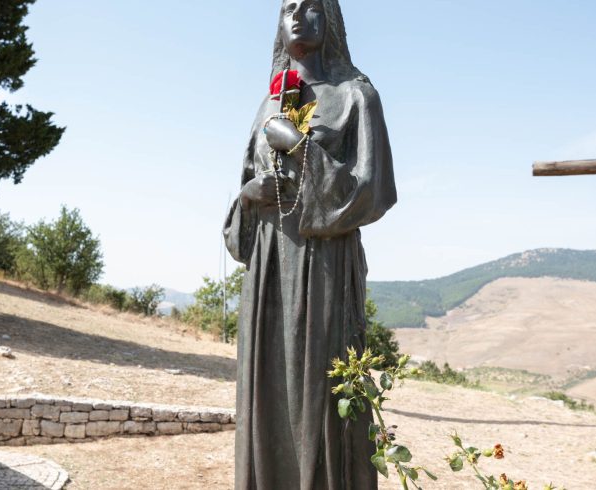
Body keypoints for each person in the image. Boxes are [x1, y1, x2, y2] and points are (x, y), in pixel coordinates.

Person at [224, 0, 397, 488]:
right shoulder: (269, 104)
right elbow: (246, 195)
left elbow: (374, 191)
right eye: (289, 8)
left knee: (318, 395)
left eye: (312, 7)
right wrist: (247, 195)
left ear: (332, 21)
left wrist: (299, 147)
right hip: (268, 270)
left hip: (323, 268)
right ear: (278, 26)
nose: (299, 16)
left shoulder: (356, 97)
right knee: (268, 392)